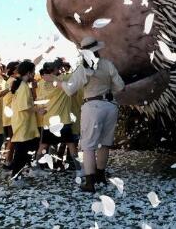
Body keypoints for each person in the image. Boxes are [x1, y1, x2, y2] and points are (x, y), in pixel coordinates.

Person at [61, 37, 125, 192]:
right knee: (105, 143)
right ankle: (100, 176)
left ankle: (90, 182)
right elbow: (121, 87)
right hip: (110, 106)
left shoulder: (83, 68)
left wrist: (59, 83)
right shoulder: (108, 64)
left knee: (88, 145)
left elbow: (70, 90)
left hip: (92, 106)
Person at [33, 60, 82, 175]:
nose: (61, 70)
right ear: (55, 70)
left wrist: (40, 110)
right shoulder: (63, 79)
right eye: (59, 68)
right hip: (62, 119)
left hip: (48, 120)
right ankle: (79, 169)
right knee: (71, 144)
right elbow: (76, 80)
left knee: (44, 144)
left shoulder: (41, 83)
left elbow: (39, 101)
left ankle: (35, 168)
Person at [9, 60, 46, 185]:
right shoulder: (23, 87)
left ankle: (24, 172)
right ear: (29, 73)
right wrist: (39, 109)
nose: (34, 75)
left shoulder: (22, 85)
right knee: (21, 152)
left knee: (29, 148)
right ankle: (15, 177)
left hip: (25, 124)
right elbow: (25, 107)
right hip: (23, 124)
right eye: (33, 72)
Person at [1, 61, 20, 168]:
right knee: (12, 138)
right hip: (11, 114)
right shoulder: (14, 81)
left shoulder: (9, 80)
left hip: (8, 114)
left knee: (11, 138)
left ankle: (8, 159)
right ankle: (8, 161)